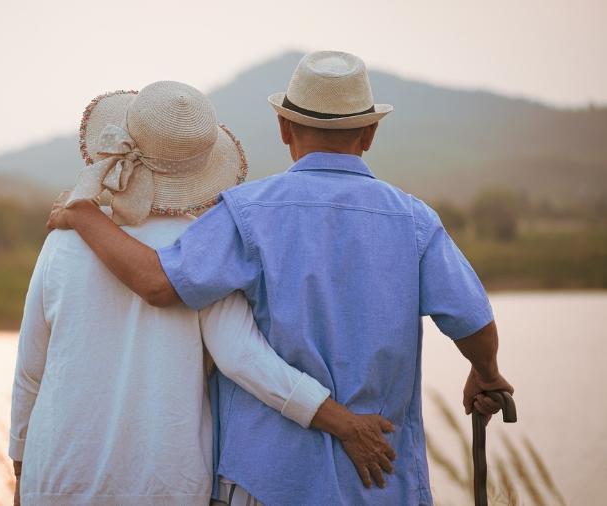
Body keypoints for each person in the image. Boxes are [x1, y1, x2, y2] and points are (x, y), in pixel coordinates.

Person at [47, 52, 515, 505]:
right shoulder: (415, 221)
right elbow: (472, 320)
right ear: (369, 133)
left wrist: (85, 215)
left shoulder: (245, 213)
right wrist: (486, 373)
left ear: (284, 127)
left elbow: (157, 284)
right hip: (378, 477)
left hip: (266, 479)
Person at [10, 81, 395, 506]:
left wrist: (23, 465)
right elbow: (245, 359)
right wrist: (341, 421)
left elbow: (31, 368)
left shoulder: (65, 238)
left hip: (56, 477)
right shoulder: (203, 250)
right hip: (163, 485)